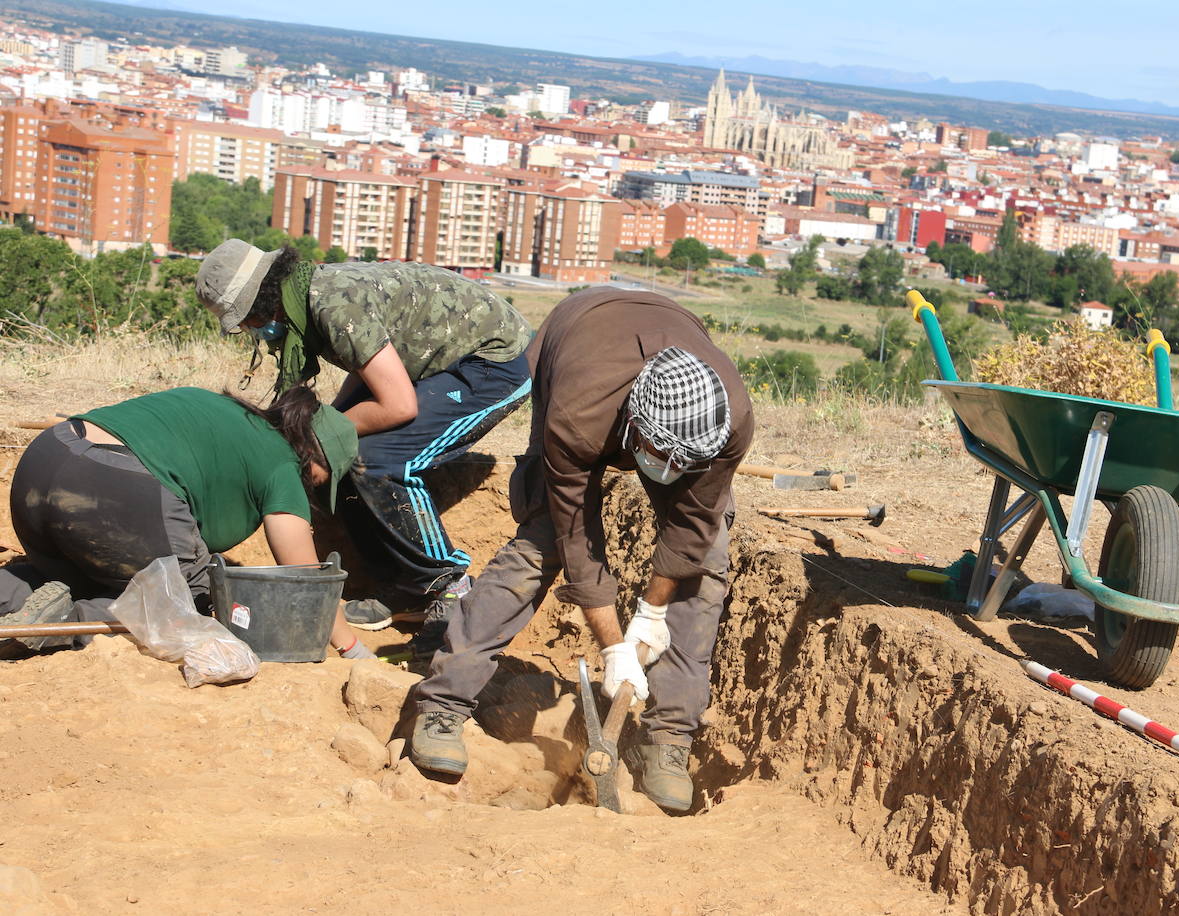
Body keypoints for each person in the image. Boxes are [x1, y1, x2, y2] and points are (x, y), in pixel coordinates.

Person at [408, 287, 753, 813]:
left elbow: (692, 528)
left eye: (687, 462)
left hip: (672, 342)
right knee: (541, 543)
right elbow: (578, 538)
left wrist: (651, 613)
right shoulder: (580, 412)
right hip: (579, 334)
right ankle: (442, 704)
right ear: (635, 427)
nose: (672, 469)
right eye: (662, 456)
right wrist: (616, 648)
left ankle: (669, 743)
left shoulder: (728, 422)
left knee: (705, 567)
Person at [195, 240, 533, 632]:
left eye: (246, 322)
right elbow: (367, 360)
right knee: (338, 448)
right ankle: (408, 590)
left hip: (491, 364)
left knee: (377, 460)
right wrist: (329, 427)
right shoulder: (307, 295)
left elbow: (399, 404)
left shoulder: (332, 305)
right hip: (432, 364)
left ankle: (448, 587)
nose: (251, 332)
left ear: (262, 304)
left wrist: (327, 431)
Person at [0, 386, 369, 659]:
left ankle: (11, 594)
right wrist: (350, 646)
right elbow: (304, 571)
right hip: (112, 487)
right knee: (187, 601)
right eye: (322, 479)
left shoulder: (226, 412)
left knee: (83, 578)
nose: (313, 489)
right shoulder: (283, 459)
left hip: (45, 460)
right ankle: (67, 620)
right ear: (312, 453)